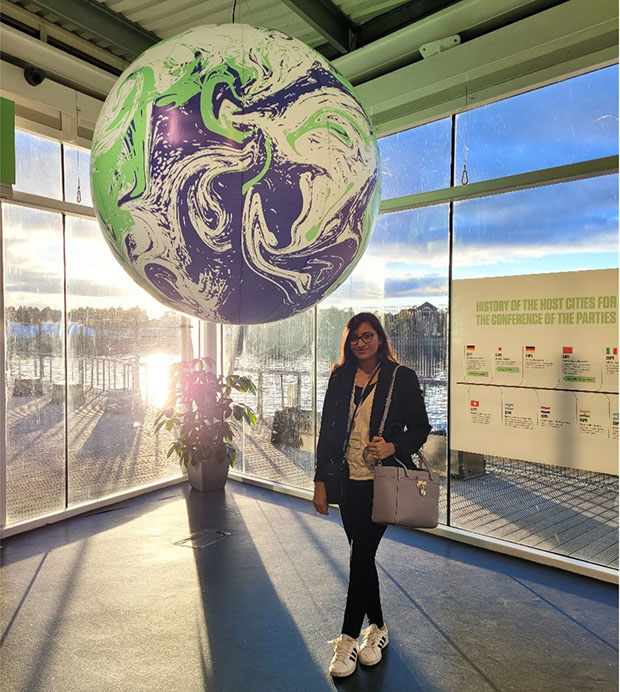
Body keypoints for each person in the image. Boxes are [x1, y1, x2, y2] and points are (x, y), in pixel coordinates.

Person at [313, 312, 431, 678]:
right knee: (362, 558)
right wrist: (320, 481)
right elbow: (327, 429)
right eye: (354, 338)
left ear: (379, 338)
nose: (360, 343)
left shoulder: (401, 377)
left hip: (383, 479)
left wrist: (393, 444)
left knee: (359, 556)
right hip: (347, 480)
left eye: (367, 336)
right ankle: (378, 628)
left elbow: (422, 428)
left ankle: (348, 638)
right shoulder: (340, 376)